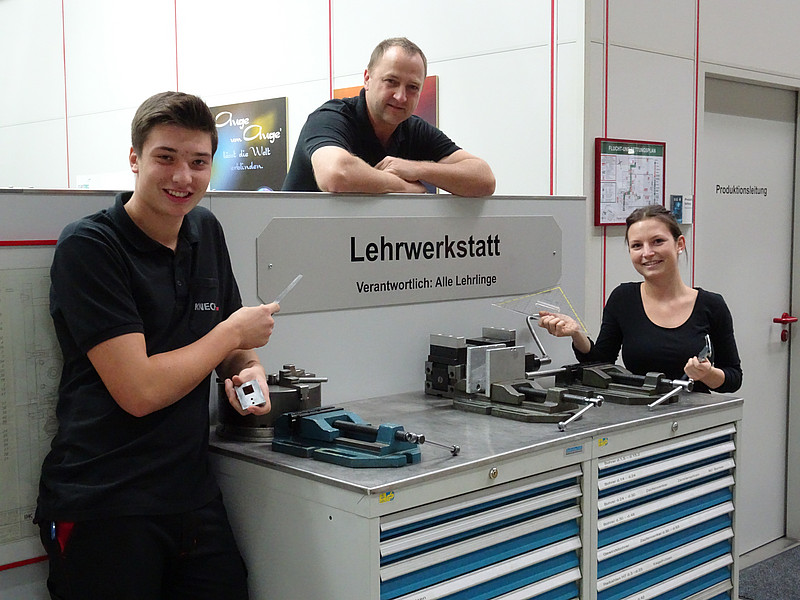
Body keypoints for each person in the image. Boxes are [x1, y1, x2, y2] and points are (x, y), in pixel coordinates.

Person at [35, 91, 278, 599]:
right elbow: (139, 390)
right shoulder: (90, 246)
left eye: (198, 162)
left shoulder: (205, 230)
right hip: (104, 503)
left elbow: (230, 344)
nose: (182, 177)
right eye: (165, 158)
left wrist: (248, 369)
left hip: (191, 494)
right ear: (134, 159)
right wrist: (233, 336)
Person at [539, 204, 742, 393]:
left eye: (658, 241)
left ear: (679, 244)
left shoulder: (712, 305)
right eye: (637, 245)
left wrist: (707, 374)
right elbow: (600, 363)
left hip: (695, 416)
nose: (647, 253)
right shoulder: (623, 299)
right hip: (639, 413)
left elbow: (733, 379)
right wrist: (576, 334)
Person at [282, 37, 496, 197]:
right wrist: (405, 187)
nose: (401, 96)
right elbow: (337, 174)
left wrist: (416, 169)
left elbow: (484, 179)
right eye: (391, 81)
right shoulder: (330, 118)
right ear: (367, 79)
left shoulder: (414, 129)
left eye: (412, 87)